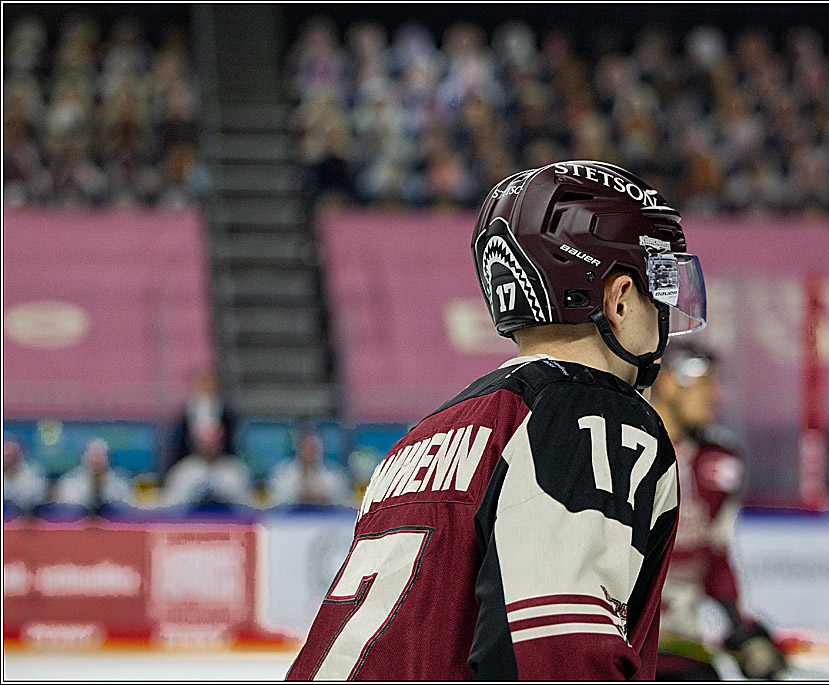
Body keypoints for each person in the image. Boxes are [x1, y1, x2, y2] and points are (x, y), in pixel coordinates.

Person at [287, 160, 707, 679]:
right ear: (618, 298)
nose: (664, 307)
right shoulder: (591, 414)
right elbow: (556, 657)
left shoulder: (422, 436)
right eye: (657, 283)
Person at [649, 340, 788, 680]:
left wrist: (745, 632)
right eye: (704, 383)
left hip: (686, 647)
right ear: (667, 383)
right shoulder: (623, 451)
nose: (713, 394)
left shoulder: (719, 461)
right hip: (630, 648)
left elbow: (715, 559)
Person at [163, 421, 252, 508]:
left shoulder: (235, 470)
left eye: (214, 441)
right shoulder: (182, 472)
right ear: (195, 443)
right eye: (205, 442)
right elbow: (171, 508)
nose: (210, 447)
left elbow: (246, 508)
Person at [168, 368, 236, 474]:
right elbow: (178, 446)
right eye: (201, 382)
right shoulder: (184, 416)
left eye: (208, 382)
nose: (205, 386)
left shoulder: (227, 414)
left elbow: (231, 443)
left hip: (221, 464)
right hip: (190, 464)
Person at [267, 427, 351, 507]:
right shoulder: (283, 472)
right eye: (306, 447)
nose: (310, 451)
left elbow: (342, 499)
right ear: (299, 448)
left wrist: (321, 495)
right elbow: (276, 499)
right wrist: (301, 493)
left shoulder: (333, 473)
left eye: (313, 447)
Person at [53, 438, 133, 513]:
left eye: (100, 456)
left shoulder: (121, 484)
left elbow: (127, 511)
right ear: (83, 458)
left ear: (108, 459)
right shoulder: (69, 483)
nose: (96, 461)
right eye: (93, 456)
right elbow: (64, 513)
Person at [3, 439, 46, 515]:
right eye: (6, 457)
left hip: (29, 517)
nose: (7, 461)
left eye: (10, 457)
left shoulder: (32, 473)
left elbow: (30, 503)